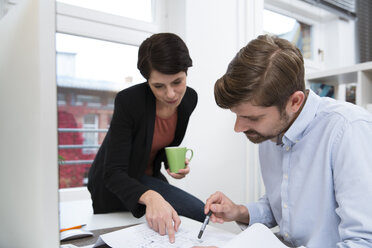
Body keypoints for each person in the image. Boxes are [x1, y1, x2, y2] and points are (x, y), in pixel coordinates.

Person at [197, 35, 372, 247]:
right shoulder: (270, 132)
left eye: (252, 118)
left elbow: (363, 242)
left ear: (294, 102)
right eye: (237, 115)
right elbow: (286, 206)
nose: (238, 128)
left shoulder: (348, 130)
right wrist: (239, 211)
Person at [87, 33, 205, 243]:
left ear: (186, 72)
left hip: (148, 177)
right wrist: (150, 196)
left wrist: (171, 163)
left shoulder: (189, 99)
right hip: (116, 181)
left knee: (196, 216)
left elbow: (160, 145)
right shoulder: (129, 101)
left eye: (177, 82)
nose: (170, 94)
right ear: (147, 81)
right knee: (194, 213)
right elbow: (113, 172)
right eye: (158, 86)